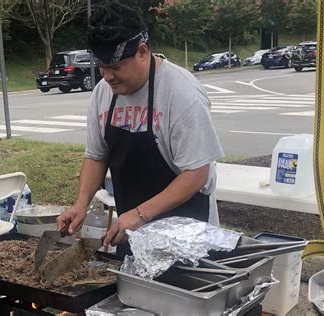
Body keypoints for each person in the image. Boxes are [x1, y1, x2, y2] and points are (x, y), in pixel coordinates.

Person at [56, 1, 224, 257]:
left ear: (142, 52)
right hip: (131, 228)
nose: (107, 76)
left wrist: (140, 214)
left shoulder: (181, 93)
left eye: (115, 67)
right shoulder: (103, 93)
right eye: (101, 67)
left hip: (186, 230)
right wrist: (81, 204)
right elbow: (96, 155)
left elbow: (196, 173)